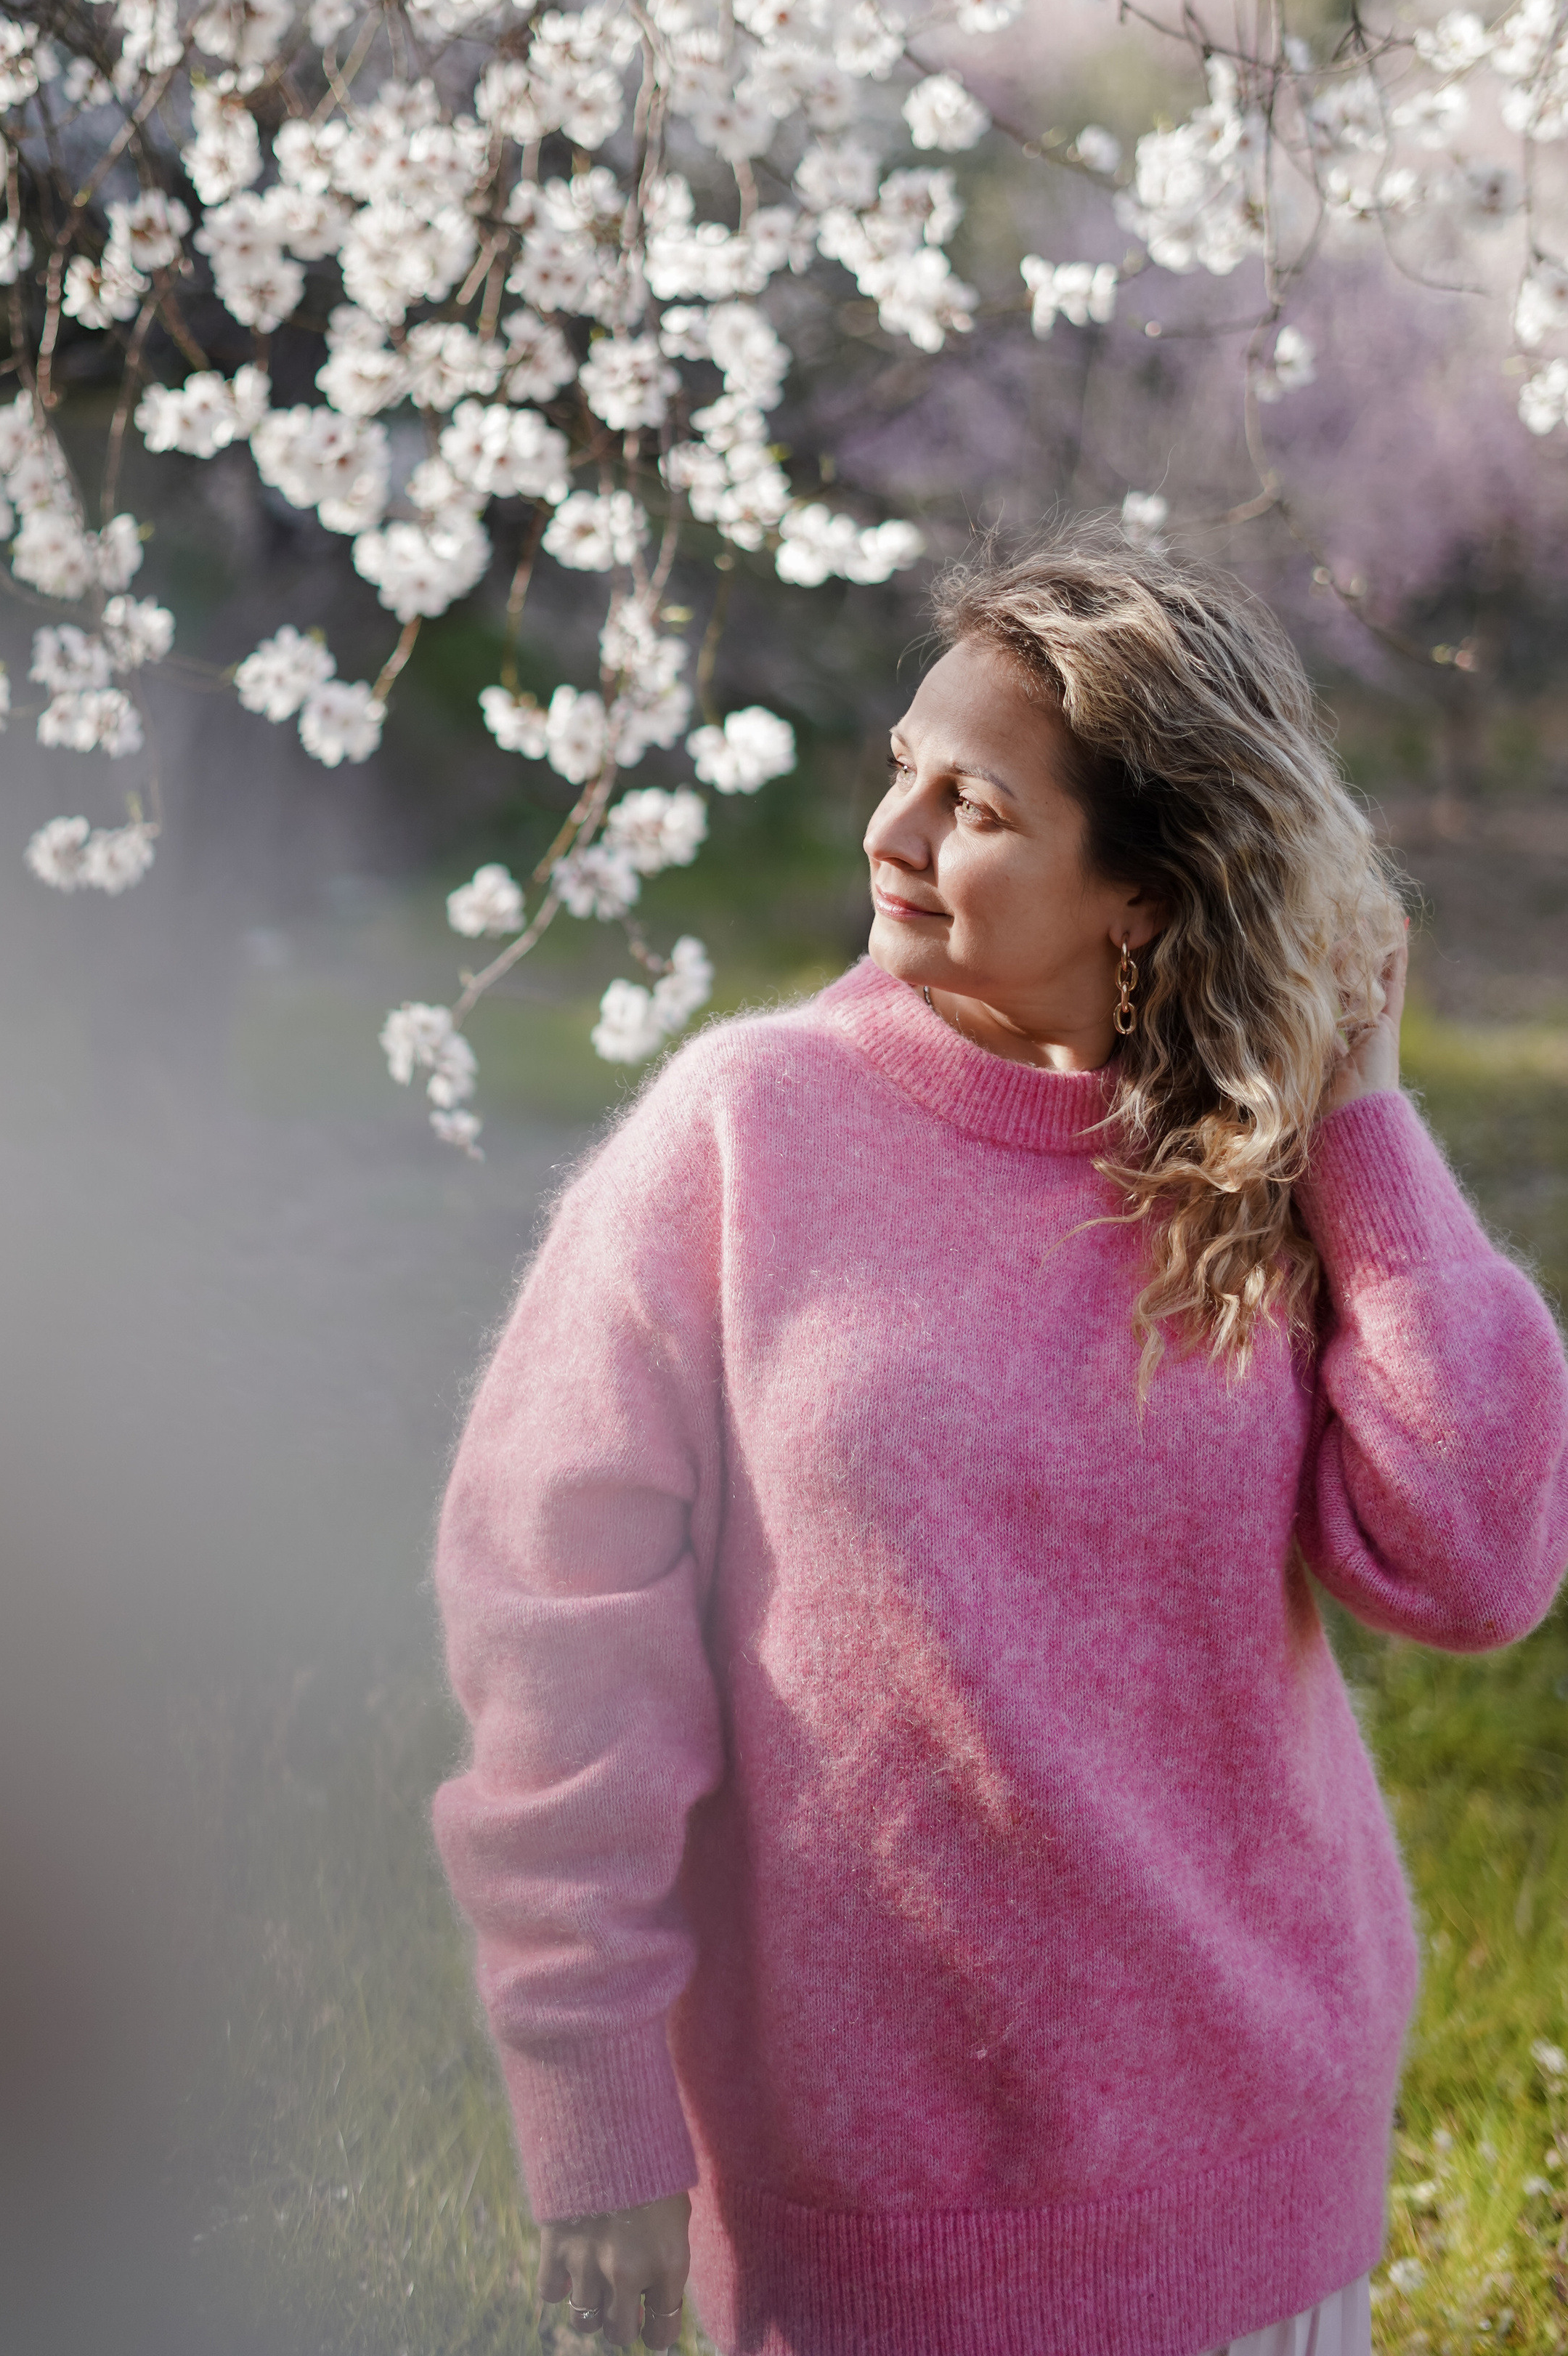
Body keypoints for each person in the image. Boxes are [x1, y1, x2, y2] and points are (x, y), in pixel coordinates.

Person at [430, 544, 1568, 2356]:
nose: (888, 830)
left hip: (1247, 2187)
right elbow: (556, 1637)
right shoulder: (743, 1136)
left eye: (968, 804)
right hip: (858, 2218)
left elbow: (1474, 1566)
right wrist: (594, 2107)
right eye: (901, 765)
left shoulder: (1253, 1178)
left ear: (1138, 890)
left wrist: (1358, 1125)